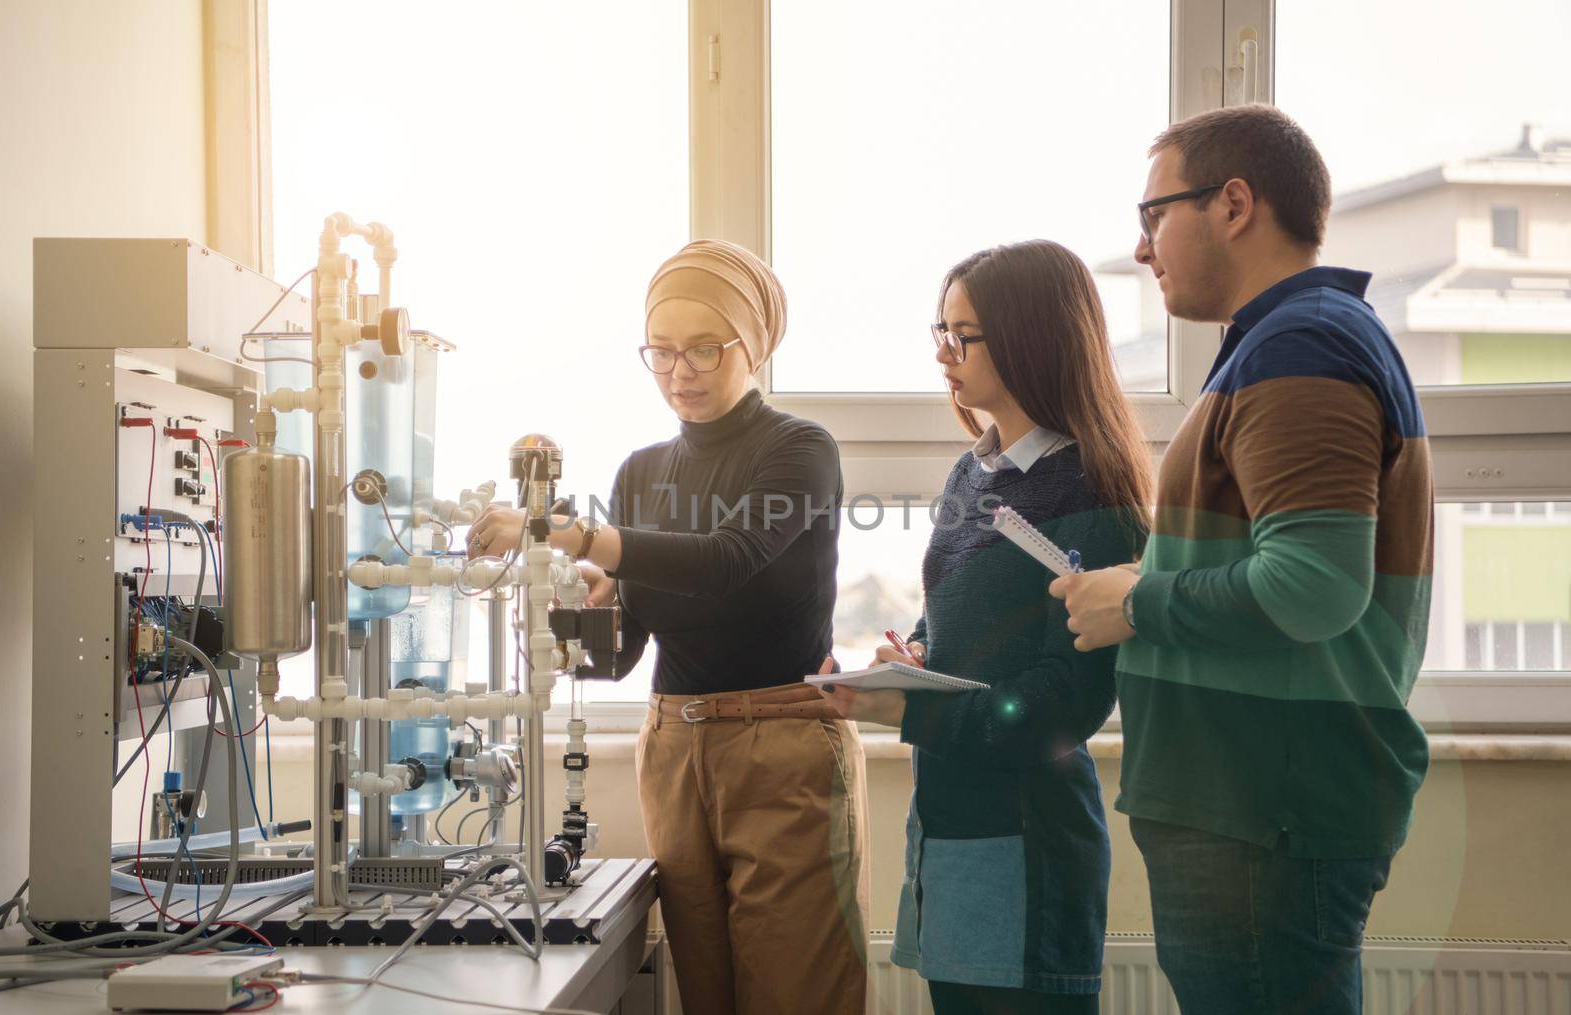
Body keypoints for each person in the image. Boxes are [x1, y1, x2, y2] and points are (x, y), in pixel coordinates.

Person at [1051, 105, 1434, 1015]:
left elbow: (1315, 586)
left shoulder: (1304, 345)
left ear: (1233, 203)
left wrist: (1136, 602)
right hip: (1256, 805)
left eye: (1153, 216)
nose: (1142, 250)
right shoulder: (1287, 343)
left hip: (1265, 810)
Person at [469, 239, 868, 1015]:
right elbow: (621, 653)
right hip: (675, 750)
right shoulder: (641, 472)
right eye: (660, 352)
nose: (679, 372)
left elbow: (727, 558)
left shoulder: (799, 449)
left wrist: (565, 533)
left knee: (797, 994)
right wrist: (564, 612)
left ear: (752, 345)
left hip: (781, 746)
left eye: (703, 349)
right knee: (704, 995)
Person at [820, 239, 1151, 1014]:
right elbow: (959, 620)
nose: (944, 353)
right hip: (954, 821)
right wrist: (914, 657)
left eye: (962, 335)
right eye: (940, 331)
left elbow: (1066, 701)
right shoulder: (976, 470)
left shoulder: (1091, 487)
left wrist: (913, 708)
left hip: (1029, 841)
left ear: (1033, 337)